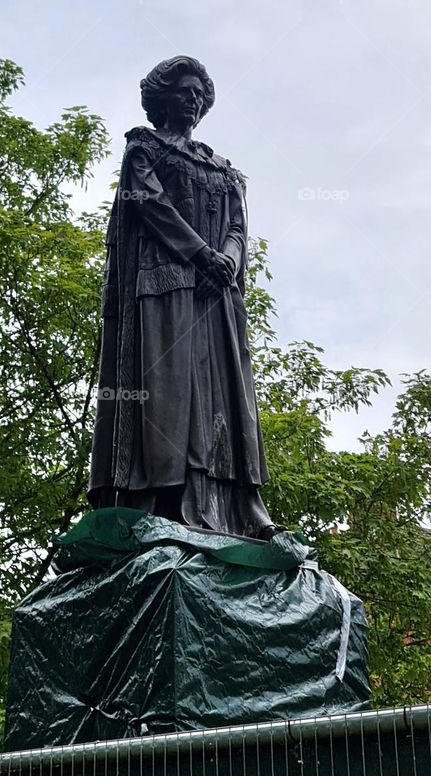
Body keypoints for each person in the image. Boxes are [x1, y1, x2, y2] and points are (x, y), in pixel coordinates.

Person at [88, 55, 277, 539]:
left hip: (216, 295)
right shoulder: (144, 149)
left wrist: (229, 260)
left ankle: (241, 502)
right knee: (169, 397)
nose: (192, 99)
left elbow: (237, 224)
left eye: (199, 93)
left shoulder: (222, 169)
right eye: (183, 91)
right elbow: (151, 205)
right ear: (162, 98)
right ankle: (166, 499)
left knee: (228, 398)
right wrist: (201, 255)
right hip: (166, 286)